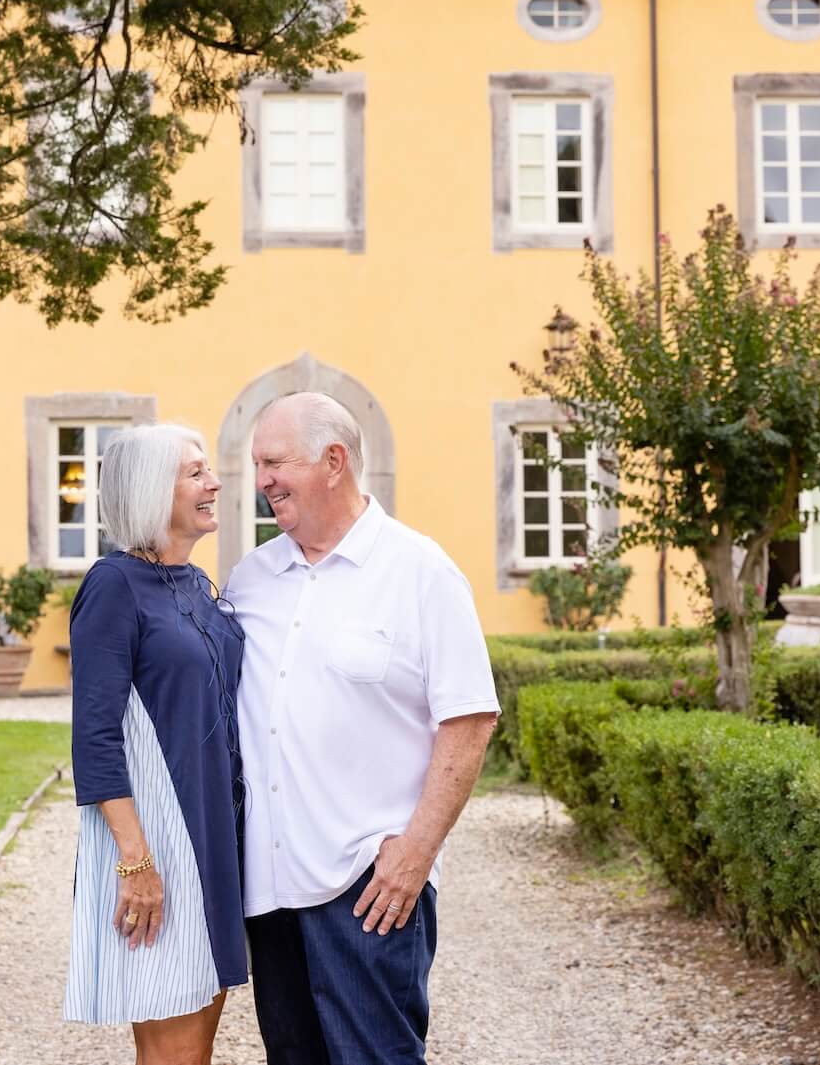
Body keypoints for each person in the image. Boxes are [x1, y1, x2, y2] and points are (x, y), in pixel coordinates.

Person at [224, 391, 500, 1065]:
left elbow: (469, 719)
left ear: (333, 461)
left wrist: (416, 853)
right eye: (257, 464)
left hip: (370, 884)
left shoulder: (420, 572)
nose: (261, 481)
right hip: (270, 889)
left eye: (274, 462)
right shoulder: (251, 578)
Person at [64, 422, 247, 1064]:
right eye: (195, 473)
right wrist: (135, 861)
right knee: (175, 1054)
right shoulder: (113, 585)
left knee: (197, 1048)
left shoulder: (196, 583)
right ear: (150, 490)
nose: (214, 483)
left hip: (216, 833)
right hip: (161, 840)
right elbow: (95, 736)